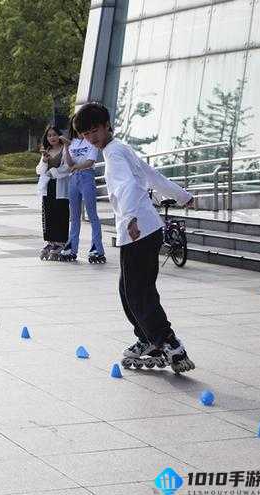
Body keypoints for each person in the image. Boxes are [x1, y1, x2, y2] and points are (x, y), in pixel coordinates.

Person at [73, 102, 195, 373]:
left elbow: (127, 187)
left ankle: (168, 342)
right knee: (129, 290)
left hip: (138, 230)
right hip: (146, 229)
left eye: (95, 130)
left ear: (106, 126)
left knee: (138, 293)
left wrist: (129, 221)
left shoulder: (115, 154)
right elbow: (151, 175)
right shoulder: (120, 149)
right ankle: (148, 340)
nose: (91, 137)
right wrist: (182, 195)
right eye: (85, 134)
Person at [60, 118, 106, 263]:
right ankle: (72, 247)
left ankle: (96, 248)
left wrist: (77, 167)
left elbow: (90, 162)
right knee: (74, 216)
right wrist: (66, 147)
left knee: (92, 214)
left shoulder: (90, 141)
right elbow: (69, 163)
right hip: (74, 178)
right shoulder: (72, 143)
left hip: (87, 176)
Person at [36, 125, 71, 261]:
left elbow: (67, 167)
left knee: (60, 213)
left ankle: (61, 242)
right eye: (49, 135)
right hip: (47, 187)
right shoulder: (47, 151)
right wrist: (44, 161)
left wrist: (53, 172)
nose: (52, 138)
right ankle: (50, 242)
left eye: (54, 135)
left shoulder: (64, 150)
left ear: (59, 136)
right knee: (48, 213)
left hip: (60, 187)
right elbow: (39, 170)